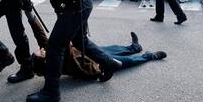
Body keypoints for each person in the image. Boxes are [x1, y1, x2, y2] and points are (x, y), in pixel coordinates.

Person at [31, 32, 167, 80]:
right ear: (44, 60)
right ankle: (150, 56)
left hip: (86, 53)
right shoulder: (58, 64)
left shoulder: (51, 56)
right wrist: (67, 32)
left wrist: (31, 17)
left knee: (113, 48)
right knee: (127, 61)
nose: (43, 49)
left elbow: (42, 38)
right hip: (94, 66)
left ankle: (134, 47)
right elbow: (66, 47)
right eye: (41, 52)